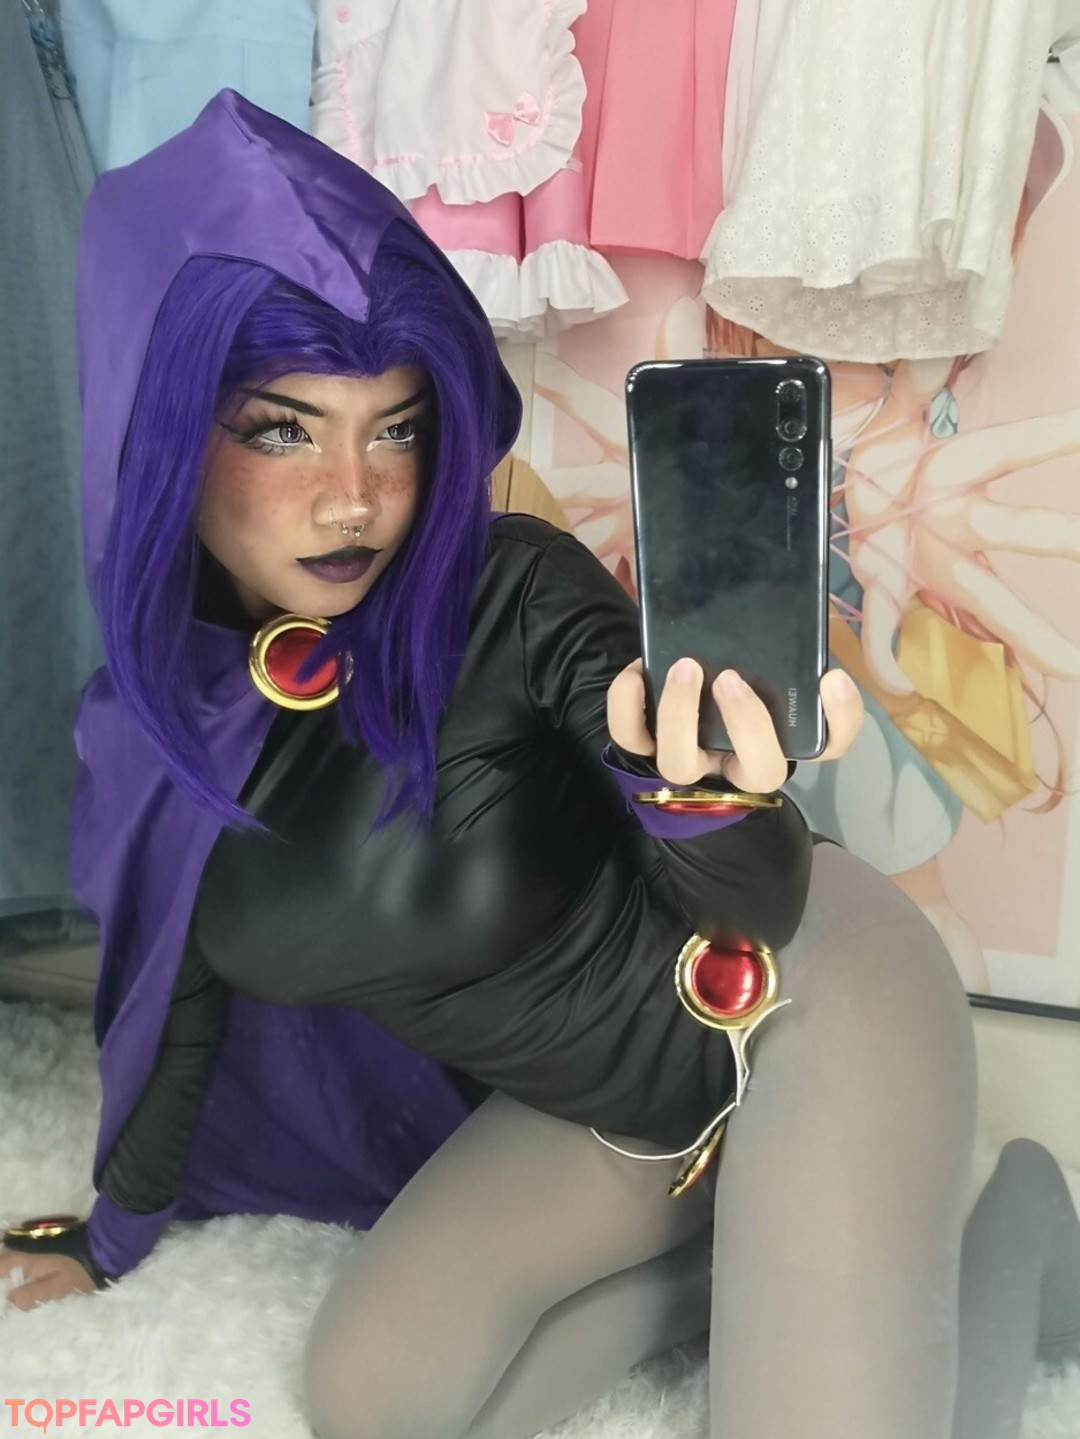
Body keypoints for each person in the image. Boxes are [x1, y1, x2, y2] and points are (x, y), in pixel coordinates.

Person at [2, 90, 1078, 1439]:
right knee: (371, 1405)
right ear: (161, 435)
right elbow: (178, 1006)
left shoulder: (510, 590)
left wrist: (707, 795)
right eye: (283, 429)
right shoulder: (145, 737)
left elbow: (757, 901)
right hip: (600, 1117)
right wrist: (111, 1233)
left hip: (807, 1000)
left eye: (397, 427)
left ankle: (1020, 1225)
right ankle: (743, 1265)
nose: (354, 495)